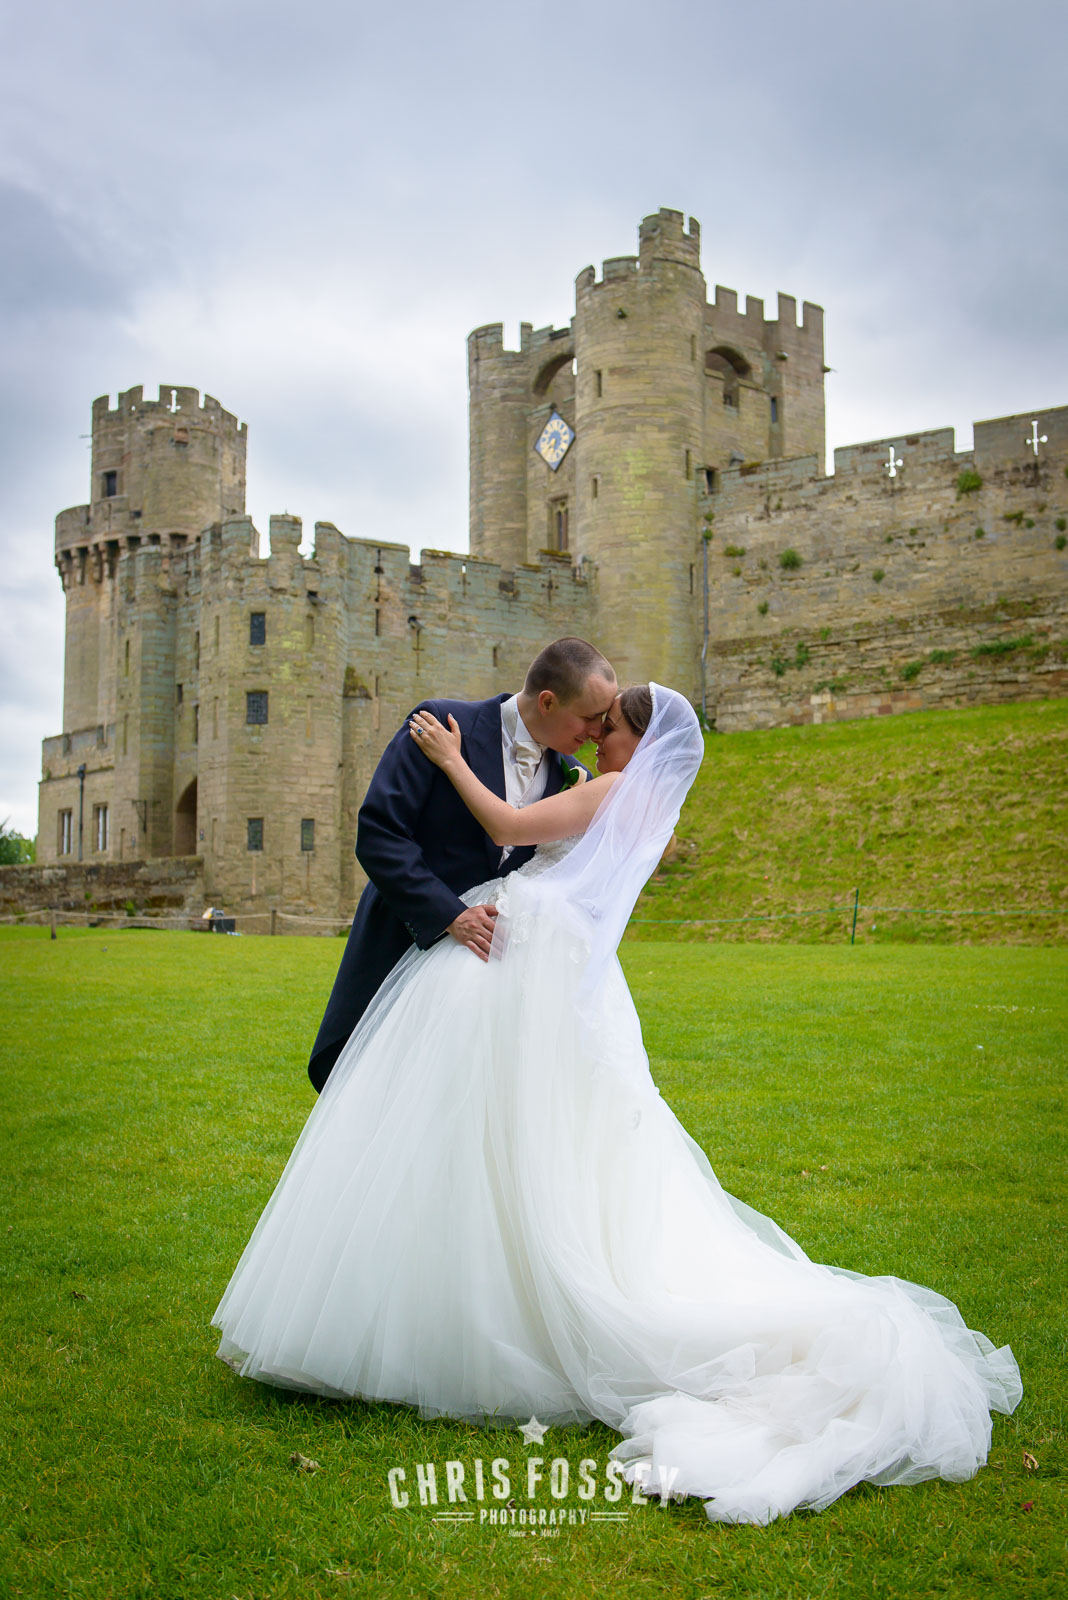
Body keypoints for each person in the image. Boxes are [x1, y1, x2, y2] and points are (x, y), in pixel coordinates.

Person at [211, 683, 1022, 1526]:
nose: (596, 741)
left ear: (641, 741)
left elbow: (506, 827)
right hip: (565, 970)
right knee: (547, 1134)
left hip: (532, 958)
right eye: (595, 727)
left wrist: (451, 759)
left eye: (609, 731)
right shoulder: (651, 810)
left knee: (507, 1128)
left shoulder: (609, 791)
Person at [306, 636, 616, 1092]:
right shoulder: (441, 725)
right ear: (548, 702)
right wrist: (450, 915)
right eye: (590, 717)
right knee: (382, 1093)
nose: (597, 732)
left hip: (488, 984)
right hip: (404, 945)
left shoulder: (572, 776)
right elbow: (379, 833)